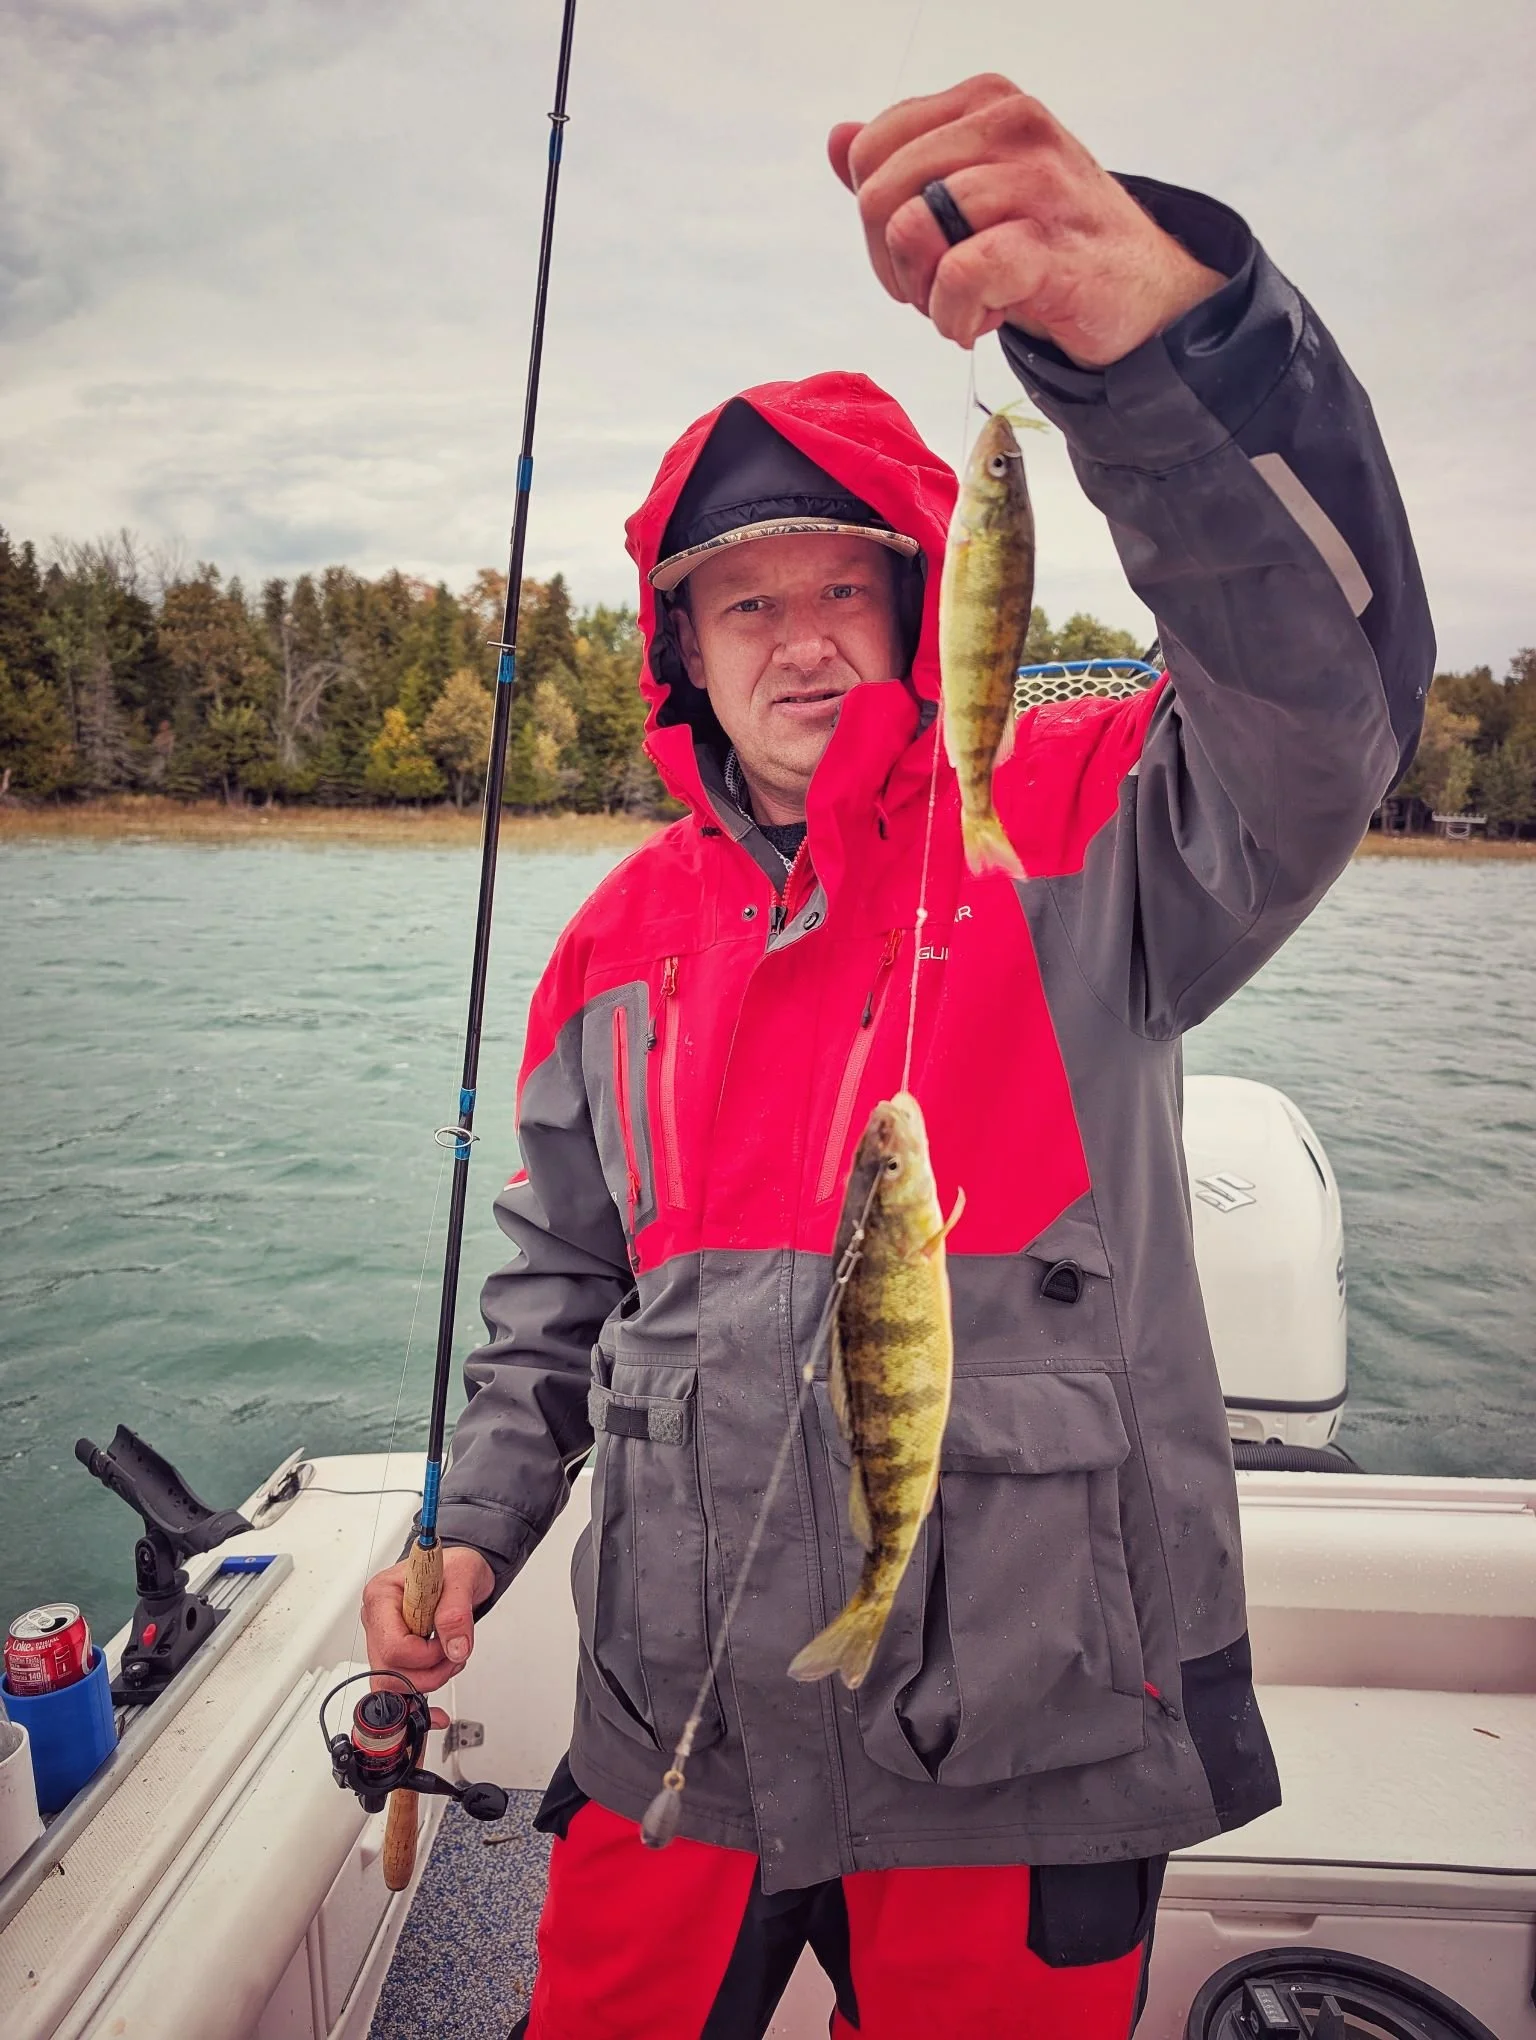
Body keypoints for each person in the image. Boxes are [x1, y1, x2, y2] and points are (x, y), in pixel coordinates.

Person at [363, 73, 1432, 2039]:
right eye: (738, 601)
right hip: (675, 1737)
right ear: (677, 649)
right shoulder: (610, 948)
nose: (794, 640)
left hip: (1026, 1755)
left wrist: (1165, 352)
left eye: (839, 583)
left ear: (927, 591)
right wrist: (468, 1530)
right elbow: (549, 1307)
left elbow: (1320, 702)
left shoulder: (1082, 826)